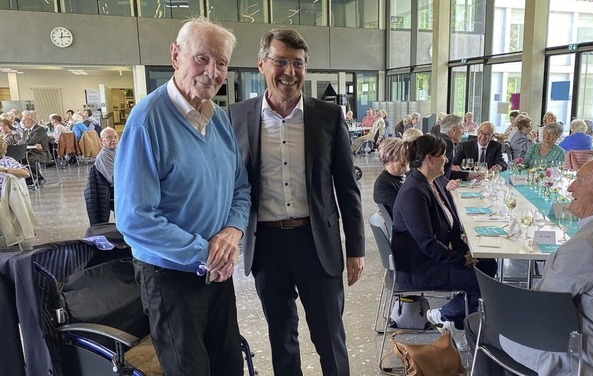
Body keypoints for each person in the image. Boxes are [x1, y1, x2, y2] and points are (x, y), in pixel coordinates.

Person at [114, 17, 251, 375]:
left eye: (221, 62)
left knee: (228, 366)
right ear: (176, 56)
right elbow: (135, 219)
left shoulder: (219, 119)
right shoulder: (147, 121)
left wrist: (231, 233)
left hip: (216, 272)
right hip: (170, 276)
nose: (212, 71)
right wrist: (206, 253)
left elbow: (241, 187)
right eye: (202, 58)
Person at [228, 27, 365, 376]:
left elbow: (348, 188)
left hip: (316, 242)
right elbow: (229, 184)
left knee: (330, 337)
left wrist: (356, 249)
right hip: (266, 245)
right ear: (261, 64)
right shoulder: (237, 117)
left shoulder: (328, 117)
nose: (290, 72)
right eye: (281, 62)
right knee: (281, 339)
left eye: (298, 63)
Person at [466, 157, 593, 376]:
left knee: (475, 322)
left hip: (572, 353)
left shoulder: (588, 246)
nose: (569, 187)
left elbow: (540, 307)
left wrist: (501, 300)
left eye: (580, 180)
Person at [391, 135, 497, 333]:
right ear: (429, 159)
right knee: (480, 284)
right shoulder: (414, 192)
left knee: (489, 263)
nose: (447, 159)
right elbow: (427, 243)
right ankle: (444, 315)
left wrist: (468, 251)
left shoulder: (435, 182)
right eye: (443, 155)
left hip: (435, 255)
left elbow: (450, 226)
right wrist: (461, 260)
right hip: (421, 265)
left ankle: (455, 318)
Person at [373, 138, 408, 219]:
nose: (405, 159)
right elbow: (398, 214)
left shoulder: (407, 175)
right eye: (399, 157)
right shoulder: (383, 184)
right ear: (387, 160)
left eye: (405, 154)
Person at [22, 111, 51, 187]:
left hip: (41, 152)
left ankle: (38, 178)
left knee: (28, 160)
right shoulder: (26, 131)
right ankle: (31, 179)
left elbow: (30, 142)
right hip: (31, 151)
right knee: (21, 159)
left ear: (31, 120)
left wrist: (30, 143)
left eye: (24, 120)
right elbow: (23, 142)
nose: (23, 122)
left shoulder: (39, 129)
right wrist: (30, 143)